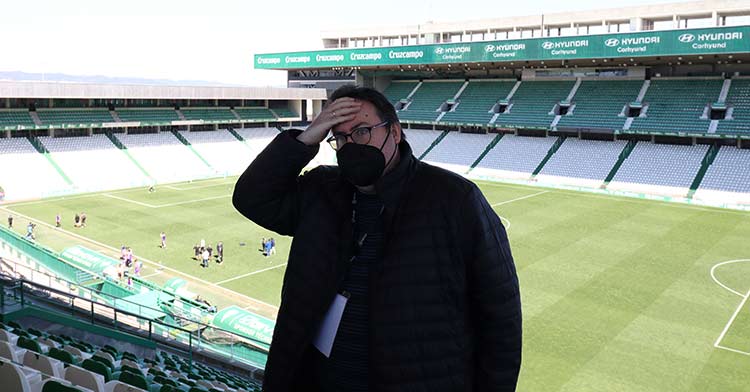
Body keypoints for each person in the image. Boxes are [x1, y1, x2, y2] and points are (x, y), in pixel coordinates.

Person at [232, 85, 521, 392]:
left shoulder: (454, 199)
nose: (350, 145)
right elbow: (252, 197)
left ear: (394, 133)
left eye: (361, 131)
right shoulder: (320, 190)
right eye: (340, 137)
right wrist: (306, 138)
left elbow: (500, 319)